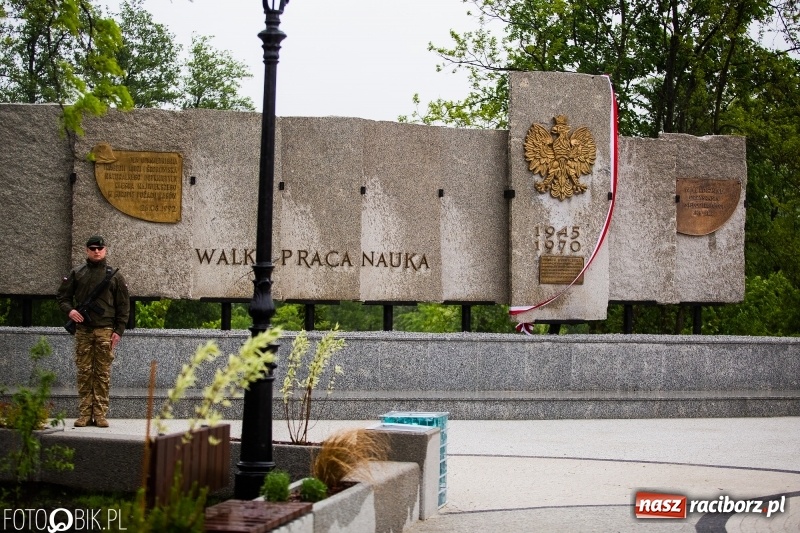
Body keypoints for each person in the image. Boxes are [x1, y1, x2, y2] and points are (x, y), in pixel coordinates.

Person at [57, 236, 130, 428]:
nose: (97, 251)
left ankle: (100, 414)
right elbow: (62, 297)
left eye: (100, 248)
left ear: (105, 250)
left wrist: (119, 331)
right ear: (87, 250)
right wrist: (70, 311)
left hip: (106, 331)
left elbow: (124, 307)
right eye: (93, 248)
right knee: (84, 372)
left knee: (102, 373)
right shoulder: (77, 273)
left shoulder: (114, 276)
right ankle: (84, 414)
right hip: (83, 331)